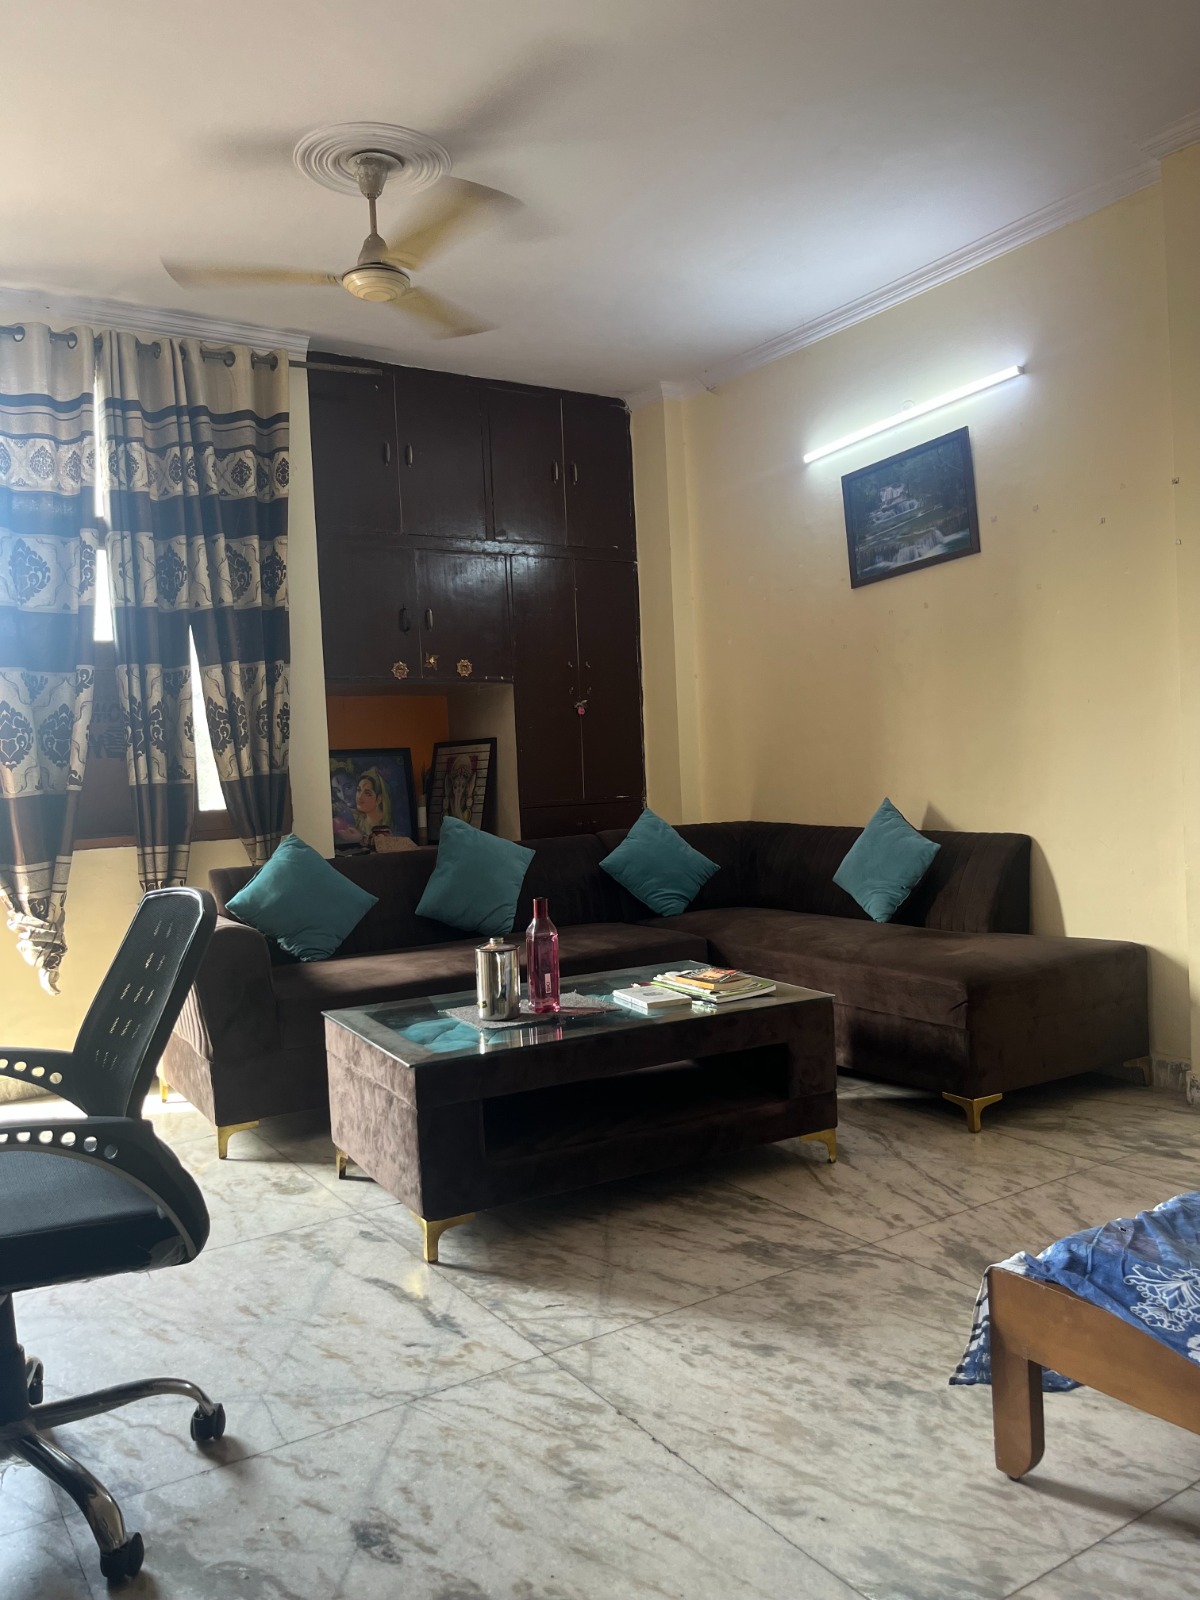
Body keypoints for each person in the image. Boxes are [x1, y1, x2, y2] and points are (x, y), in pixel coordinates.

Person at [353, 768, 392, 845]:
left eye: (367, 793)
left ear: (379, 799)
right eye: (358, 790)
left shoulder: (390, 825)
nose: (359, 797)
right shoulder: (358, 822)